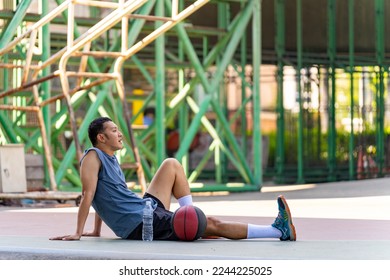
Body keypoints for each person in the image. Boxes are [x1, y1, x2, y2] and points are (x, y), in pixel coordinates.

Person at [50, 117, 296, 242]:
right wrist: (78, 233)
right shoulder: (93, 156)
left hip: (145, 211)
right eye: (114, 130)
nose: (120, 133)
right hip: (141, 223)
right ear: (101, 138)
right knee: (212, 223)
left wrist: (96, 230)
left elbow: (106, 198)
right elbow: (89, 196)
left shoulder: (110, 159)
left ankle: (191, 218)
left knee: (171, 164)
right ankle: (277, 231)